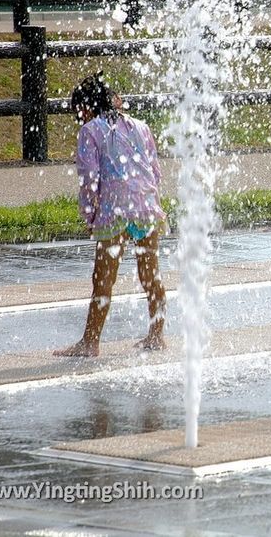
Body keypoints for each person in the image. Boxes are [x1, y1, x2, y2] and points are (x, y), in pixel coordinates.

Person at [54, 73, 167, 357]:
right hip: (146, 206)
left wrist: (90, 216)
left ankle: (90, 342)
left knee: (103, 279)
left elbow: (89, 180)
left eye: (78, 112)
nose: (79, 118)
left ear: (86, 108)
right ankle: (156, 336)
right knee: (150, 276)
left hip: (113, 210)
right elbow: (155, 171)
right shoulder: (141, 126)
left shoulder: (90, 131)